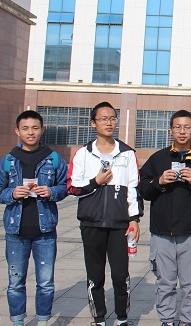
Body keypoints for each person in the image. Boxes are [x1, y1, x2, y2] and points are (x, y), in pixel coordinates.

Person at [139, 110, 191, 326]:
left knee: (190, 284)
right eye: (178, 127)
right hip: (162, 232)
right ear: (170, 130)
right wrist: (159, 181)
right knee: (165, 283)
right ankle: (167, 320)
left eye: (187, 127)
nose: (182, 131)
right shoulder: (158, 158)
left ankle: (188, 321)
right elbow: (143, 190)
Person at [0, 110, 69, 326]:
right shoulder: (8, 160)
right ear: (17, 131)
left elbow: (65, 187)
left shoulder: (53, 159)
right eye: (25, 128)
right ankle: (18, 321)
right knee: (15, 282)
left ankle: (42, 321)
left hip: (45, 232)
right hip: (16, 231)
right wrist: (12, 193)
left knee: (46, 282)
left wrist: (51, 191)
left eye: (35, 128)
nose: (30, 132)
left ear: (42, 130)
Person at [67, 102, 141, 326]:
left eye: (112, 118)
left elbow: (133, 188)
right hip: (92, 223)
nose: (109, 123)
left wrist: (134, 220)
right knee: (95, 275)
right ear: (93, 123)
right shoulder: (83, 154)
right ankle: (99, 318)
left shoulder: (127, 153)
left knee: (120, 275)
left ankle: (122, 318)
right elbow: (72, 187)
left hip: (119, 224)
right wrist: (95, 182)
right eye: (103, 119)